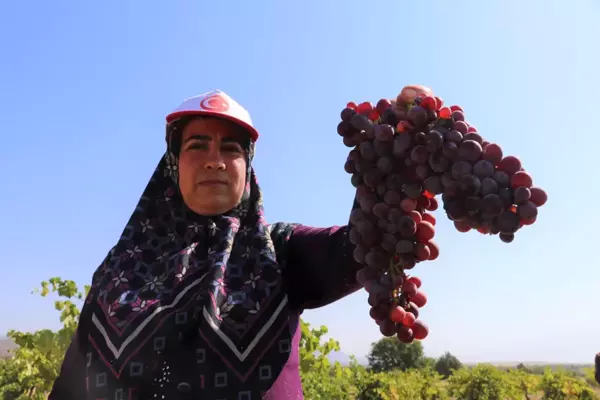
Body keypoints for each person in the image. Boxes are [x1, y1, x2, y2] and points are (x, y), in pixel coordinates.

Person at [49, 86, 430, 399]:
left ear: (247, 169)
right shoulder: (121, 269)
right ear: (173, 165)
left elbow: (364, 245)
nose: (214, 160)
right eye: (197, 145)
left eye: (231, 149)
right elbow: (71, 384)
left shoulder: (278, 251)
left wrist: (396, 146)